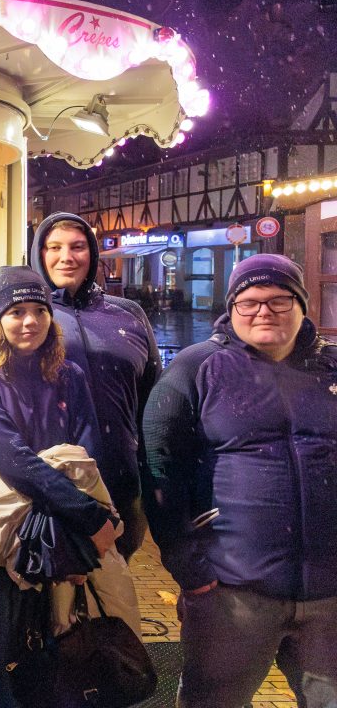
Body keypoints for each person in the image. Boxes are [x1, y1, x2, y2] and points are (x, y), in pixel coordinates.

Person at [142, 254, 337, 707]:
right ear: (231, 309)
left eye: (278, 300)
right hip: (232, 592)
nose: (263, 311)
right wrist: (186, 563)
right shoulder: (196, 368)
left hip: (330, 594)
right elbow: (156, 462)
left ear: (302, 304)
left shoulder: (332, 367)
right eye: (248, 303)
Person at [0, 267, 118, 708]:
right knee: (7, 655)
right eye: (16, 312)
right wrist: (86, 518)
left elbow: (87, 456)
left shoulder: (70, 375)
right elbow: (9, 457)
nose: (29, 322)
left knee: (61, 643)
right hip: (7, 534)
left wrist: (69, 533)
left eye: (38, 312)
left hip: (64, 527)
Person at [30, 212, 160, 558]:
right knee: (50, 597)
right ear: (38, 254)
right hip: (50, 482)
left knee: (114, 591)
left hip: (121, 477)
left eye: (77, 246)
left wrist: (151, 472)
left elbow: (152, 398)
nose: (66, 257)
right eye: (54, 247)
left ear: (93, 253)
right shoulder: (23, 314)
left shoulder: (128, 314)